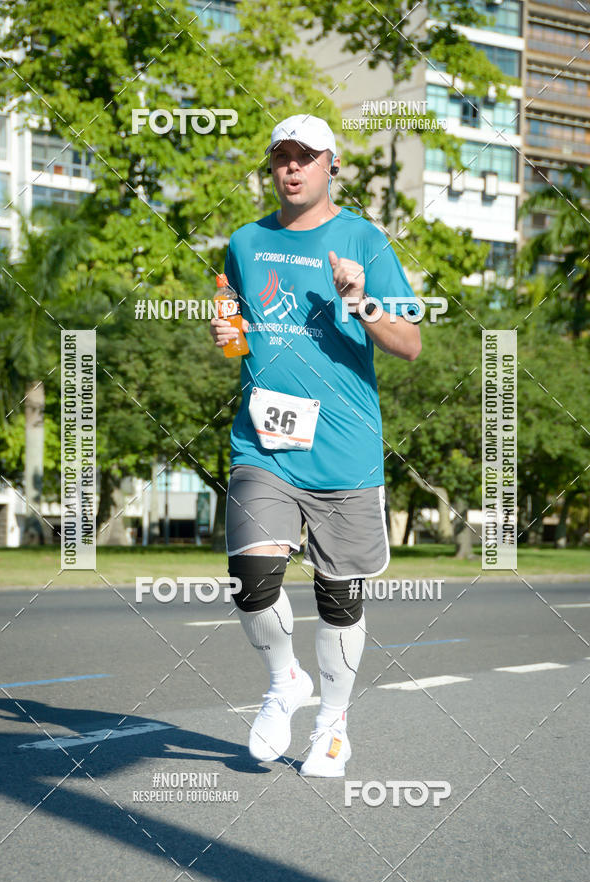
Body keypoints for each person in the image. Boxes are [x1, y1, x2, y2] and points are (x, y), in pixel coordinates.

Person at [209, 113, 421, 778]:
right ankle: (284, 681)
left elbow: (410, 344)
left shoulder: (364, 238)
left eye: (306, 157)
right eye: (281, 158)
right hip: (263, 444)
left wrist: (360, 301)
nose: (292, 168)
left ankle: (332, 725)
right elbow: (236, 319)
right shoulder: (244, 242)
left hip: (344, 450)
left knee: (339, 600)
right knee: (251, 576)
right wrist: (227, 336)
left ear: (332, 164)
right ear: (271, 167)